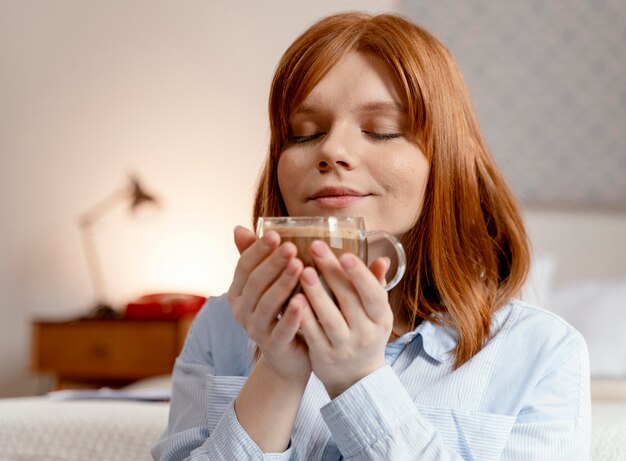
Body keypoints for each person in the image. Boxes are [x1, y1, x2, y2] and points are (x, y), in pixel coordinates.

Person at [152, 11, 590, 461]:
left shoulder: (542, 353)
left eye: (381, 131)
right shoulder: (220, 329)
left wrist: (359, 381)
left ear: (446, 161)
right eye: (305, 134)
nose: (331, 151)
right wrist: (278, 374)